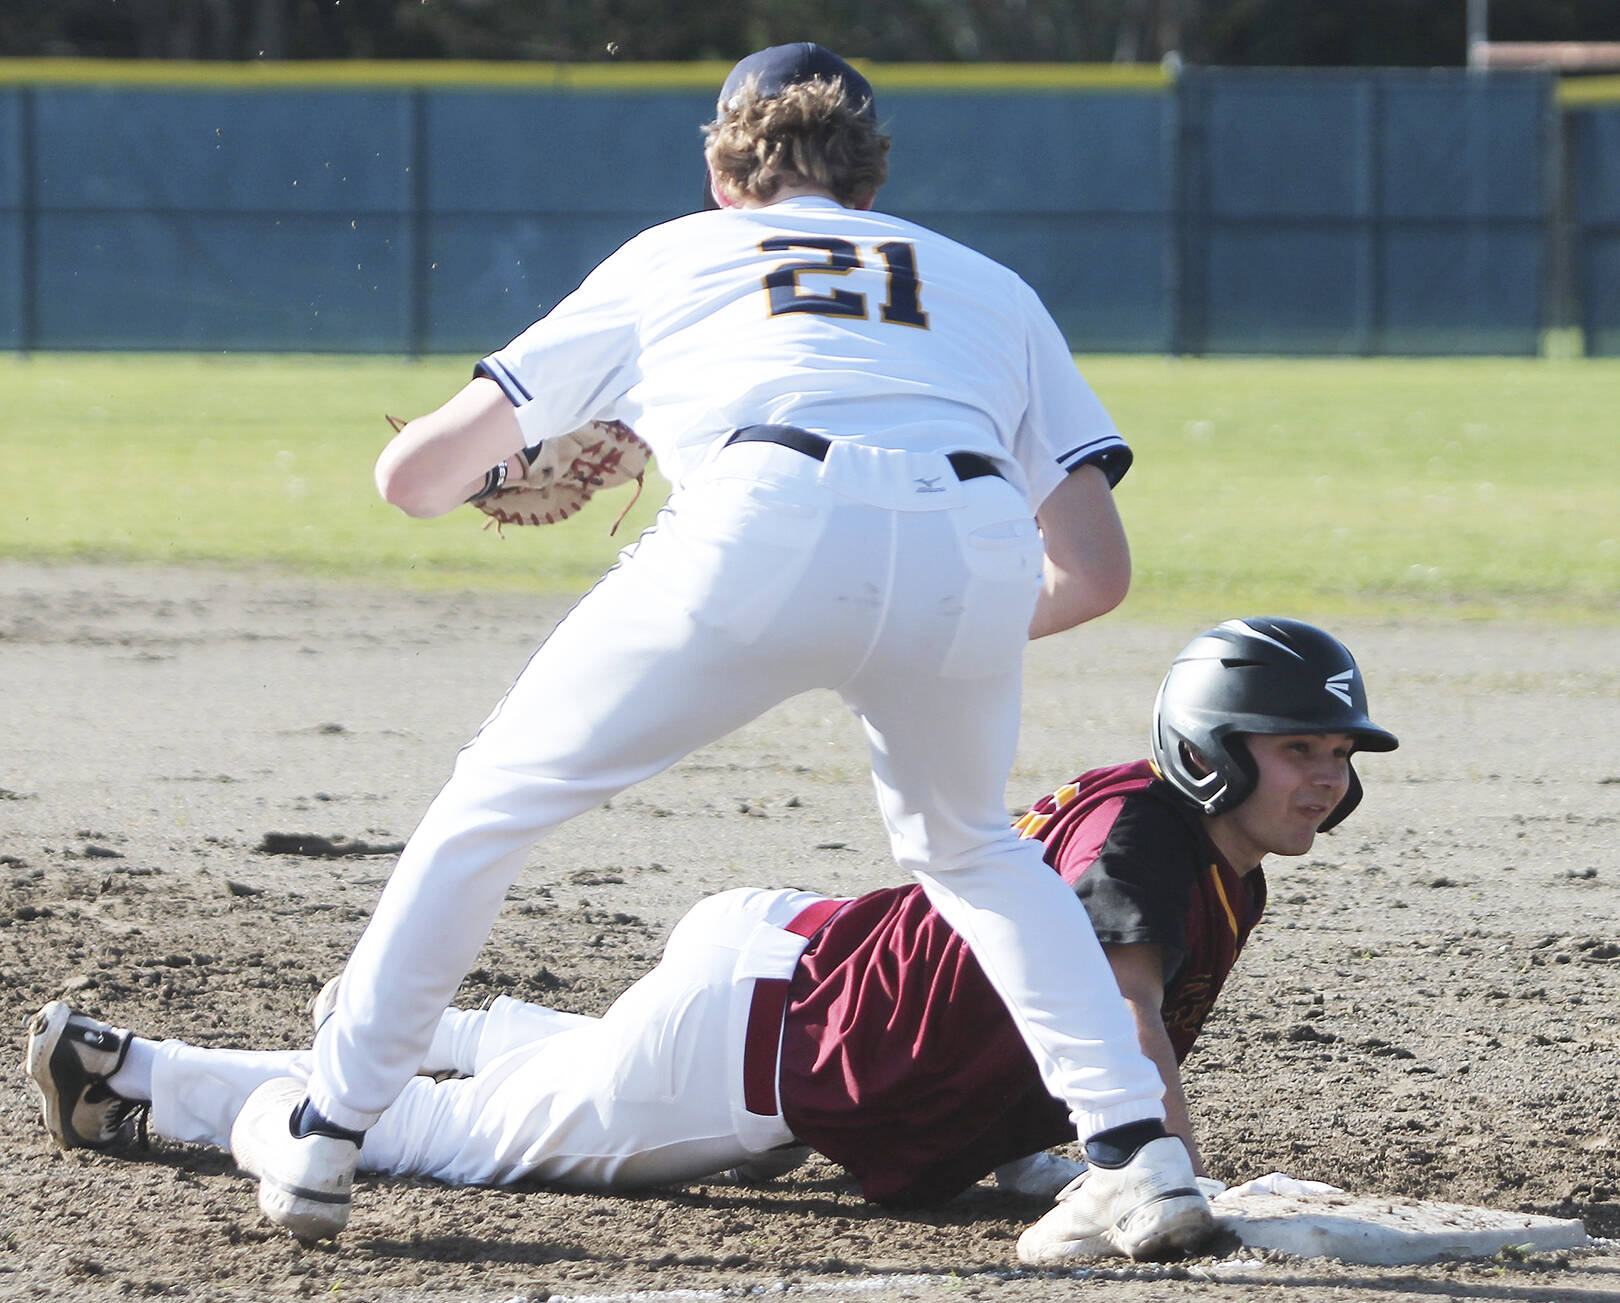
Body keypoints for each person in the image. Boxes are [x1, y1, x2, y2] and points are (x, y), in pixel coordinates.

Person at [134, 41, 1196, 1254]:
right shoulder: (989, 284)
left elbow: (410, 478)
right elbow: (1096, 573)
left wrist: (534, 454)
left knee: (491, 807)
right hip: (973, 539)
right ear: (871, 176)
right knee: (973, 851)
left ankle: (328, 1125)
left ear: (722, 173)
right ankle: (1137, 1155)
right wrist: (930, 620)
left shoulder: (674, 254)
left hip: (762, 513)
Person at [24, 618, 1398, 1266]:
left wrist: (1045, 1138)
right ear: (1212, 752)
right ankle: (143, 1080)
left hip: (777, 969)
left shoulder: (1186, 841)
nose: (1325, 776)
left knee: (551, 1080)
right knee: (446, 1140)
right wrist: (1162, 1178)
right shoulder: (1145, 837)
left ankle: (451, 1024)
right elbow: (1123, 1016)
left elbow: (1038, 1014)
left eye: (1337, 754)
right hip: (745, 1049)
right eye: (1296, 749)